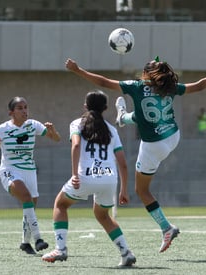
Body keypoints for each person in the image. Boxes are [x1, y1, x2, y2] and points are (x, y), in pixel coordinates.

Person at [65, 57, 206, 252]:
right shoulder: (171, 87)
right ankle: (123, 118)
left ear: (146, 73)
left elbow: (103, 82)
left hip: (153, 145)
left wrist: (78, 70)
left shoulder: (137, 86)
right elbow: (200, 85)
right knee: (143, 114)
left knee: (142, 191)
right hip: (173, 136)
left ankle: (166, 228)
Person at [41, 90, 136, 267]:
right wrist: (124, 190)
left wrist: (75, 175)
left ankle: (60, 249)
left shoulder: (77, 123)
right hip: (109, 180)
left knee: (61, 204)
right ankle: (126, 252)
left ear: (85, 106)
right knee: (102, 215)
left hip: (86, 177)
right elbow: (122, 163)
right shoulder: (112, 130)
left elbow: (76, 145)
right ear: (106, 108)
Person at [0, 96, 61, 254]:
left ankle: (25, 243)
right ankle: (38, 239)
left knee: (29, 207)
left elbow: (56, 139)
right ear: (11, 112)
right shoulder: (3, 129)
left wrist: (53, 131)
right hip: (9, 170)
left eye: (25, 107)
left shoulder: (33, 125)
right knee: (26, 198)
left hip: (29, 170)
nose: (24, 111)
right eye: (20, 108)